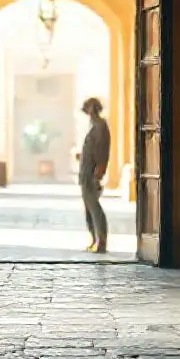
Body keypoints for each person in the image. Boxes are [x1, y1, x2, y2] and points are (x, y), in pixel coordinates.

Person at [77, 97, 111, 253]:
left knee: (94, 207)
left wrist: (100, 169)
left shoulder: (101, 126)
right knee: (88, 208)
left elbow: (102, 150)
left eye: (89, 107)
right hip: (85, 172)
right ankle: (94, 239)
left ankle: (101, 240)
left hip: (92, 172)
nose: (87, 111)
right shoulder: (92, 126)